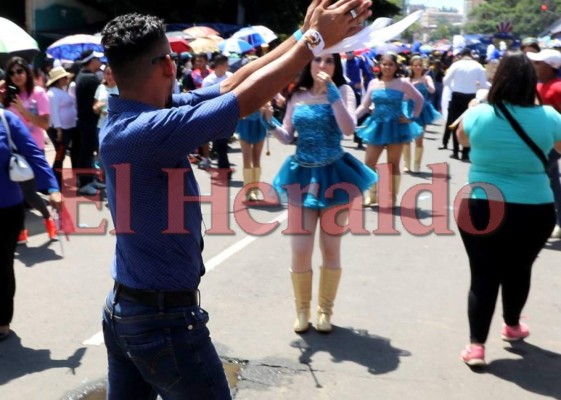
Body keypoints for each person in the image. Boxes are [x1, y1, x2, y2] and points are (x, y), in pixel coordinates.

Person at [98, 2, 371, 398]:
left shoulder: (144, 116)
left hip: (131, 310)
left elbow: (232, 84)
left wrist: (301, 36)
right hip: (163, 320)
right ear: (169, 67)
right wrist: (313, 41)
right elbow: (243, 101)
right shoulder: (144, 130)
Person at [456, 51, 561, 367]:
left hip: (481, 203)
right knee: (519, 269)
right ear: (531, 81)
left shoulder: (479, 113)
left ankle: (476, 347)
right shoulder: (551, 117)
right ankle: (512, 326)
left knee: (483, 275)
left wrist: (474, 109)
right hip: (534, 207)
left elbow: (463, 140)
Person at [265, 53, 377, 334]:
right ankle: (301, 310)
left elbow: (349, 129)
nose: (322, 66)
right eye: (317, 61)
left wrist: (332, 93)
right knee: (300, 249)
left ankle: (325, 310)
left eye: (329, 61)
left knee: (330, 247)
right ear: (309, 65)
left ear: (336, 66)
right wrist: (269, 120)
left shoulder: (343, 90)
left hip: (335, 176)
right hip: (302, 175)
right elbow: (288, 136)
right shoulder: (297, 95)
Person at [0, 108, 61, 341]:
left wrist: (52, 187)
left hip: (5, 209)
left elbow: (33, 153)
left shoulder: (6, 120)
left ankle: (1, 319)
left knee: (2, 266)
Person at [355, 52, 424, 207]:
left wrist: (412, 117)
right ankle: (372, 196)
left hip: (396, 127)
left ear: (396, 66)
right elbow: (364, 106)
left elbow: (419, 99)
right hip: (376, 126)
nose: (387, 67)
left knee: (392, 164)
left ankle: (391, 197)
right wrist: (352, 117)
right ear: (379, 65)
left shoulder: (403, 83)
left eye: (390, 64)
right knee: (369, 162)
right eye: (384, 64)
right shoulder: (373, 83)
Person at [1, 57, 56, 242]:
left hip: (33, 149)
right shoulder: (8, 96)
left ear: (27, 72)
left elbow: (45, 124)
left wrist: (22, 110)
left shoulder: (39, 93)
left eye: (20, 71)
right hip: (11, 151)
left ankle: (48, 218)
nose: (16, 76)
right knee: (14, 192)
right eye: (12, 72)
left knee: (28, 192)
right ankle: (20, 230)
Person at [527, 49, 561, 238]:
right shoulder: (540, 84)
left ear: (550, 67)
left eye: (539, 63)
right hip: (543, 142)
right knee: (552, 180)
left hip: (553, 142)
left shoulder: (557, 87)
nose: (534, 66)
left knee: (540, 176)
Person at [440, 48, 490, 160]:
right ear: (471, 54)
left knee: (455, 123)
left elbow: (445, 81)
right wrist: (475, 86)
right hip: (470, 96)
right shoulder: (478, 66)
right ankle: (465, 152)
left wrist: (454, 87)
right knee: (468, 124)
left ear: (462, 55)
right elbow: (483, 84)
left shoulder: (456, 65)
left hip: (457, 95)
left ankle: (456, 151)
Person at [403, 55, 441, 173]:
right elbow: (404, 97)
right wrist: (412, 87)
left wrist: (426, 83)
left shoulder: (427, 78)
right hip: (409, 109)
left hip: (422, 110)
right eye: (415, 65)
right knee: (407, 138)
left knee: (419, 138)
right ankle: (407, 164)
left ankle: (417, 165)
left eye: (420, 65)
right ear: (411, 66)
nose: (418, 68)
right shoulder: (407, 80)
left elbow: (432, 90)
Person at [75, 49, 103, 195]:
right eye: (97, 59)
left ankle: (90, 179)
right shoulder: (90, 78)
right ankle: (84, 183)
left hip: (86, 121)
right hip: (89, 122)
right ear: (91, 61)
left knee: (88, 152)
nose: (100, 61)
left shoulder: (83, 76)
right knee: (86, 153)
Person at [202, 55, 233, 179]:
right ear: (220, 65)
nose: (228, 66)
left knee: (222, 143)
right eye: (226, 64)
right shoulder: (208, 81)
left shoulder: (231, 77)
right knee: (221, 143)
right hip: (215, 113)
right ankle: (225, 169)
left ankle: (224, 169)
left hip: (228, 112)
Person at [46, 66, 76, 188]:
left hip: (66, 128)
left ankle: (56, 181)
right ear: (58, 80)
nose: (66, 79)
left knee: (61, 154)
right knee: (60, 155)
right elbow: (53, 112)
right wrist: (58, 130)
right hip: (60, 130)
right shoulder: (52, 93)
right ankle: (55, 182)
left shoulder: (61, 90)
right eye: (64, 78)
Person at [343, 50, 374, 149]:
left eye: (350, 52)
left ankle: (359, 139)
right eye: (347, 52)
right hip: (346, 92)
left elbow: (367, 74)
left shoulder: (359, 61)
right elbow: (341, 77)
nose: (349, 54)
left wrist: (371, 84)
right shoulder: (342, 63)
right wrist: (352, 84)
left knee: (360, 116)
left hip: (358, 93)